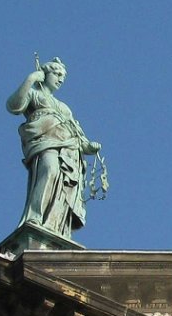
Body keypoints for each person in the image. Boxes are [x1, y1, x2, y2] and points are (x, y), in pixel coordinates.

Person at [6, 59, 101, 239]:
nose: (60, 79)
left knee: (63, 184)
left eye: (62, 76)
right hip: (45, 143)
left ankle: (55, 224)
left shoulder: (63, 107)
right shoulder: (34, 94)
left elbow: (77, 133)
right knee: (49, 170)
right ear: (45, 74)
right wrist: (31, 79)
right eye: (57, 74)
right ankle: (35, 217)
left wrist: (88, 146)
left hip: (69, 149)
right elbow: (13, 106)